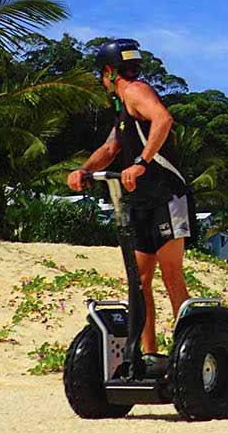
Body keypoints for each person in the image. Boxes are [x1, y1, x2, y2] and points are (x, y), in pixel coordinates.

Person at [67, 38, 191, 360]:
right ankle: (149, 355)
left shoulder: (137, 91)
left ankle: (187, 353)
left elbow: (163, 119)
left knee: (171, 274)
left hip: (166, 194)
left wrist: (141, 162)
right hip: (140, 202)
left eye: (101, 74)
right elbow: (110, 150)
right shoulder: (123, 109)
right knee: (140, 281)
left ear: (109, 71)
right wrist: (83, 170)